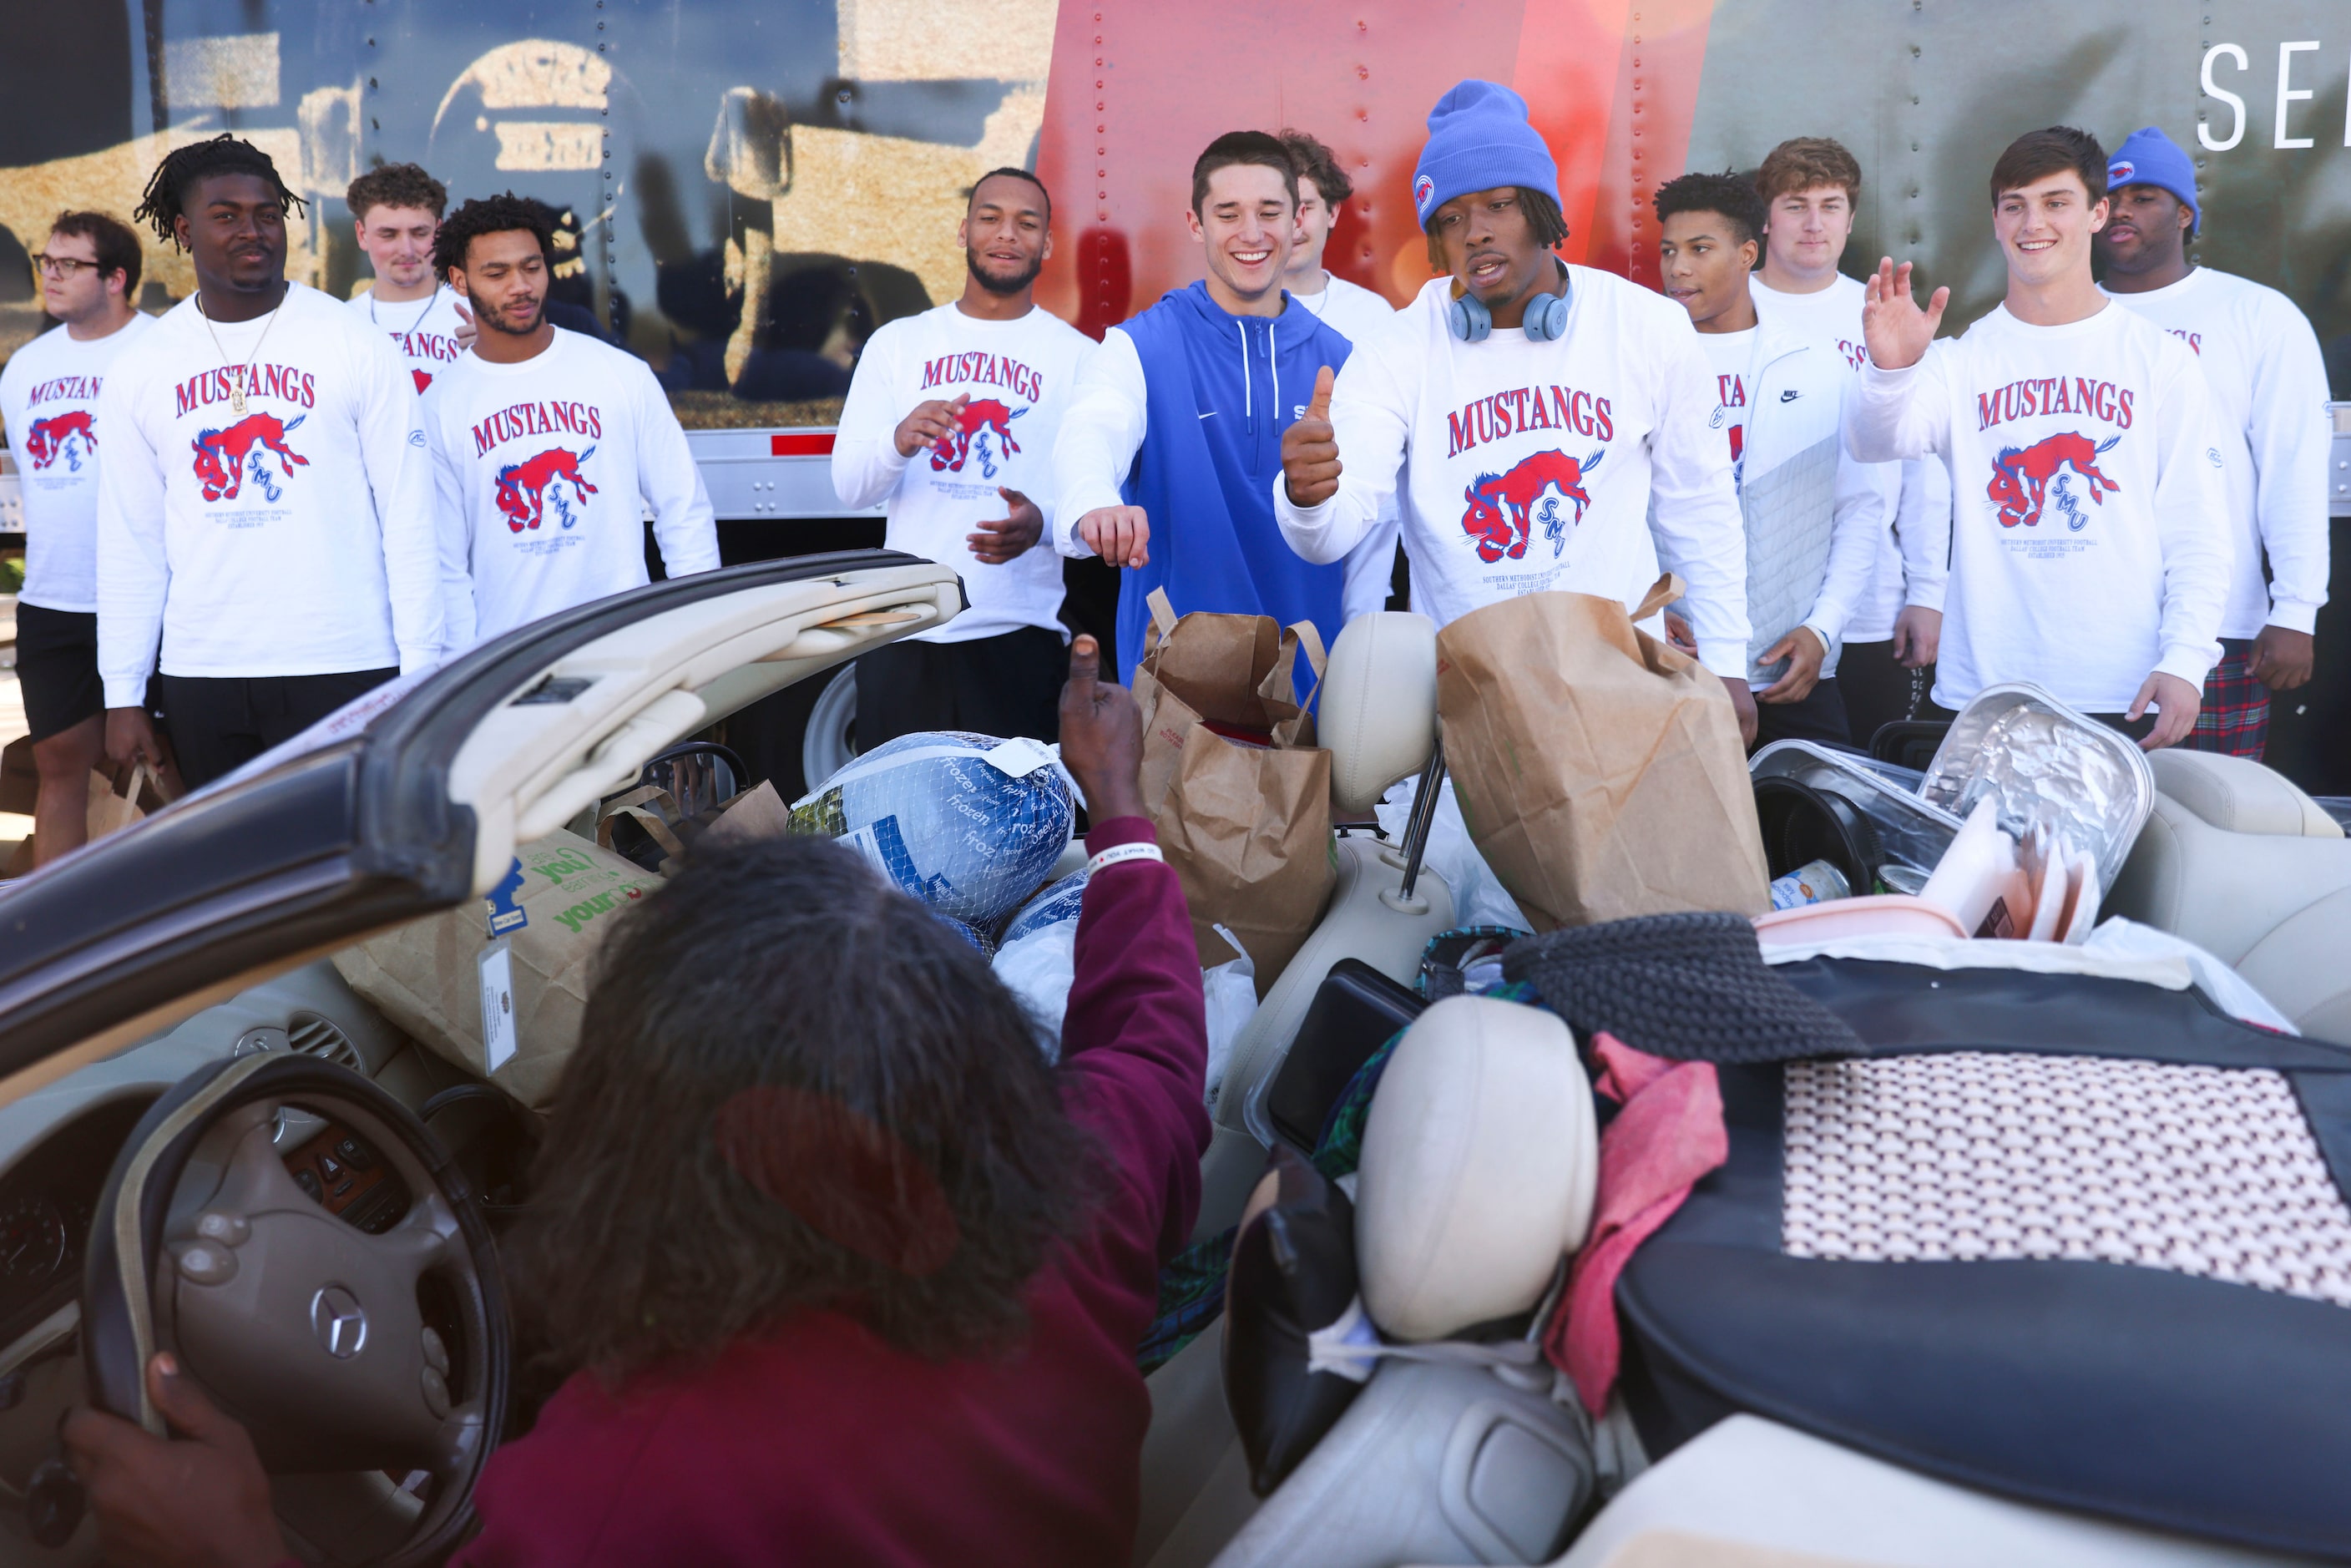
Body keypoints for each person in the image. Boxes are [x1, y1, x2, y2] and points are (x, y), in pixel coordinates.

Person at [63, 635, 1213, 1568]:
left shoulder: (614, 1496)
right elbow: (1152, 1042)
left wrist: (237, 1546)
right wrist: (1117, 802)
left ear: (651, 1138)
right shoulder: (1076, 1204)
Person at [1277, 80, 1756, 742]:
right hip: (1473, 710)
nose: (1476, 232)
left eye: (1499, 205)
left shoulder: (1645, 326)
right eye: (1450, 218)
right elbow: (1329, 535)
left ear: (1541, 211)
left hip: (1623, 697)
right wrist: (1307, 496)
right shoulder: (1400, 348)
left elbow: (1699, 507)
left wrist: (1728, 662)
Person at [1846, 126, 2231, 751]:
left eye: (2056, 202)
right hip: (1982, 695)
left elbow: (2199, 530)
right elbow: (1875, 442)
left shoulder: (2159, 359)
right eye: (2015, 205)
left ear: (2098, 213)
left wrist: (2185, 659)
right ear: (1996, 220)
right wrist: (1891, 370)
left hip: (2124, 691)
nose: (2034, 224)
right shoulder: (1958, 360)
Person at [96, 134, 445, 789]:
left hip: (346, 660)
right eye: (225, 215)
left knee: (347, 874)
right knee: (232, 878)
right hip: (204, 670)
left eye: (266, 214)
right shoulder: (143, 365)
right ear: (184, 229)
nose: (251, 231)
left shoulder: (354, 343)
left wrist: (422, 668)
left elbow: (409, 514)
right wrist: (124, 691)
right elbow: (131, 540)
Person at [1054, 132, 1353, 682]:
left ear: (1297, 221)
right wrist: (1095, 500)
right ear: (1196, 224)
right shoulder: (1139, 346)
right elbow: (1093, 426)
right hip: (1174, 700)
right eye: (1227, 213)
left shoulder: (1342, 360)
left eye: (1270, 212)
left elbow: (1369, 539)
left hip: (1310, 693)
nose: (1252, 233)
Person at [832, 167, 1095, 746]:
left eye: (1027, 223)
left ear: (1047, 244)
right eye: (990, 217)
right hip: (903, 631)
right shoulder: (899, 343)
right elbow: (851, 488)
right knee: (897, 830)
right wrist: (898, 441)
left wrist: (1042, 525)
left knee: (1013, 835)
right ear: (962, 232)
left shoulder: (1081, 359)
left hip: (1017, 638)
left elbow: (1102, 507)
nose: (1007, 234)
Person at [2095, 125, 2332, 761]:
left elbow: (2294, 467)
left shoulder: (2255, 315)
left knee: (2209, 826)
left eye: (2144, 197)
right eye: (2111, 198)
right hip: (2085, 630)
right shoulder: (2067, 318)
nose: (2122, 211)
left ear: (2184, 212)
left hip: (2219, 627)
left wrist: (2296, 609)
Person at [425, 194, 718, 648]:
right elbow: (444, 562)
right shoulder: (442, 404)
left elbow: (684, 509)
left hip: (625, 648)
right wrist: (463, 666)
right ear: (460, 281)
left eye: (531, 267)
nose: (520, 286)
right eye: (496, 273)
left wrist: (700, 631)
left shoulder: (621, 375)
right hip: (506, 661)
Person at [1654, 171, 1884, 747]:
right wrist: (1644, 614)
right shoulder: (1640, 365)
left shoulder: (1819, 364)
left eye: (1700, 249)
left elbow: (1859, 509)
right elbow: (1609, 515)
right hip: (1668, 675)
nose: (1678, 267)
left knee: (1814, 837)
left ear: (1746, 254)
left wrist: (1822, 632)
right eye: (1668, 251)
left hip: (1791, 676)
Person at [1749, 136, 1945, 749]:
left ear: (1852, 217)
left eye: (1830, 206)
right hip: (1754, 614)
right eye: (1795, 205)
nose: (1814, 224)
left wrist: (1928, 593)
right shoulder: (1729, 308)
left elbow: (1922, 469)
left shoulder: (1884, 313)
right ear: (1765, 217)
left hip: (1870, 612)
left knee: (1853, 804)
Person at [0, 211, 154, 862]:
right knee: (60, 765)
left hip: (153, 598)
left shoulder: (162, 349)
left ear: (116, 277)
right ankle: (51, 941)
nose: (50, 276)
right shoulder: (25, 367)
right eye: (46, 261)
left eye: (69, 264)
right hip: (56, 597)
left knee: (163, 764)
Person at [1277, 129, 1405, 624]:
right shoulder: (1222, 316)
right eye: (1277, 206)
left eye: (1305, 205)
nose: (1292, 223)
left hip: (1349, 558)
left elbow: (1385, 493)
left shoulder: (1375, 320)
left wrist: (1363, 620)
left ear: (1332, 213)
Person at [345, 162, 472, 395]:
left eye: (419, 233)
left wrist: (495, 354)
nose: (406, 249)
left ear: (439, 233)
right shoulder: (340, 324)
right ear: (362, 235)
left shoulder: (478, 317)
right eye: (388, 234)